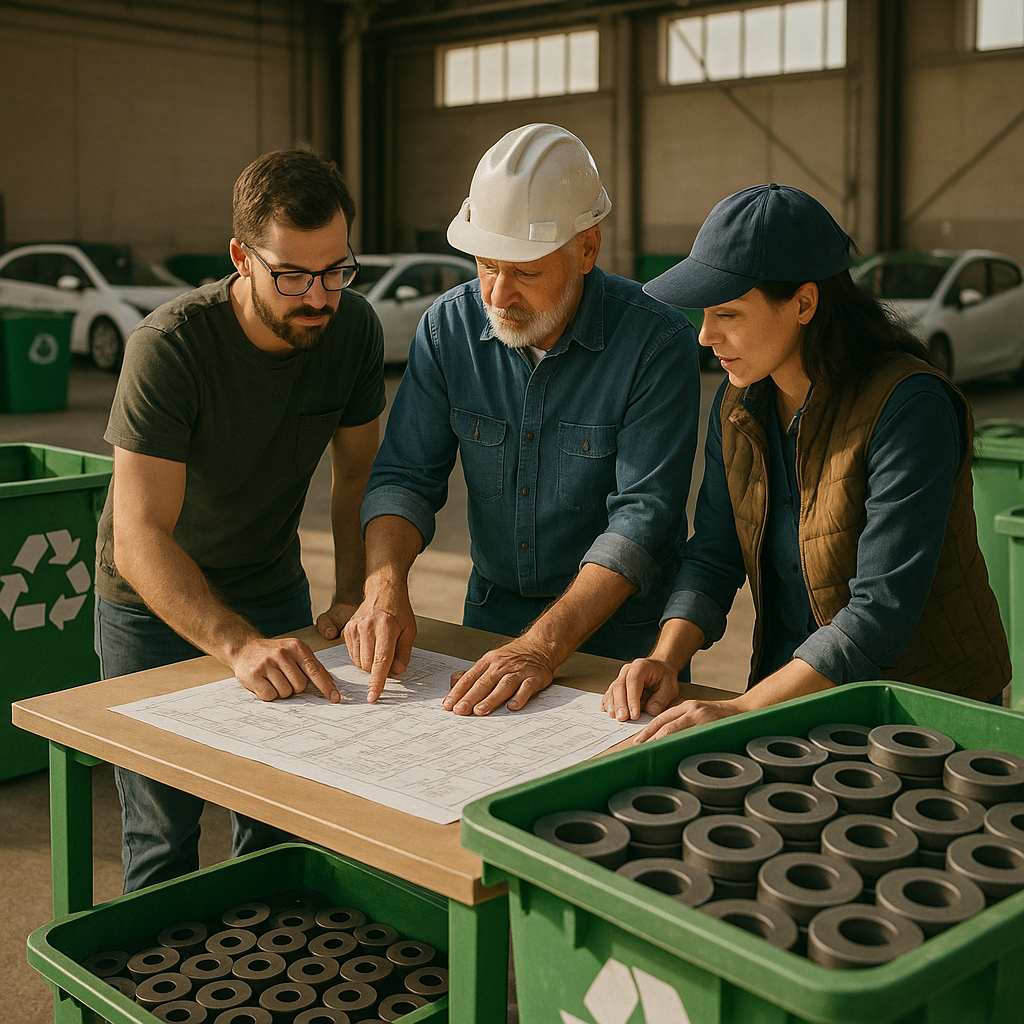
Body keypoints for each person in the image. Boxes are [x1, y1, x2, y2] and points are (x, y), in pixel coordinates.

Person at [602, 182, 1010, 742]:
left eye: (728, 313)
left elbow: (879, 615)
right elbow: (716, 554)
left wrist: (743, 711)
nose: (705, 336)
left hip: (921, 713)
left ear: (804, 303)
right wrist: (666, 659)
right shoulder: (739, 401)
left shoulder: (909, 407)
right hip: (793, 693)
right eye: (704, 314)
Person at [94, 149, 385, 891]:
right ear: (240, 257)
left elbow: (357, 475)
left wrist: (354, 591)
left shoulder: (351, 329)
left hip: (269, 585)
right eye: (291, 275)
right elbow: (138, 537)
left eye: (335, 270)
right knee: (164, 828)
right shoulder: (170, 348)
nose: (318, 297)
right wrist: (235, 644)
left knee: (279, 814)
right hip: (152, 605)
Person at [345, 123, 700, 716]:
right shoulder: (447, 328)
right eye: (486, 266)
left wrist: (543, 645)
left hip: (622, 645)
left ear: (588, 249)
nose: (499, 294)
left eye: (527, 272)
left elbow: (644, 518)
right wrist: (382, 585)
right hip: (490, 619)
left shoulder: (656, 342)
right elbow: (405, 476)